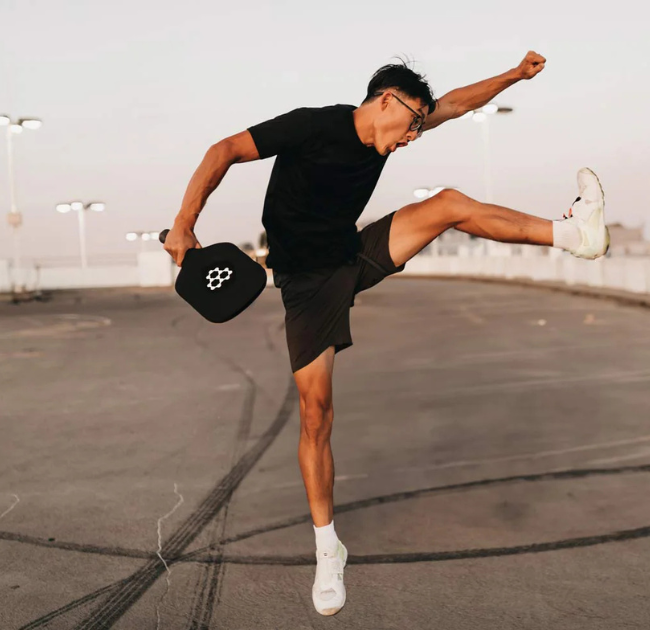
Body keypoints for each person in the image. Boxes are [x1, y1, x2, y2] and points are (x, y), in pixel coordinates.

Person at [163, 51, 609, 616]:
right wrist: (184, 223)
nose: (413, 138)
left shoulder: (397, 129)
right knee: (315, 415)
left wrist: (513, 76)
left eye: (420, 127)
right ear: (386, 102)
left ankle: (574, 236)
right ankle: (329, 549)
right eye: (412, 124)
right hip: (306, 285)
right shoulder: (313, 125)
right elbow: (223, 150)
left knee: (447, 204)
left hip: (354, 253)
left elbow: (457, 104)